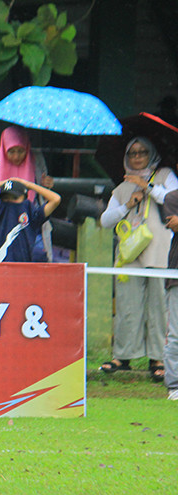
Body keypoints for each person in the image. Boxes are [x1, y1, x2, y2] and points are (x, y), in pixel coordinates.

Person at [98, 137, 178, 380]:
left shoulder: (165, 175)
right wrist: (128, 203)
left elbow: (172, 199)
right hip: (129, 253)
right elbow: (105, 220)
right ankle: (123, 356)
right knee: (127, 305)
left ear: (152, 153)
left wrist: (148, 187)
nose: (137, 156)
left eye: (143, 151)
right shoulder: (122, 185)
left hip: (158, 250)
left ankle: (157, 359)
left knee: (158, 306)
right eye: (132, 153)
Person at [0, 127, 55, 261]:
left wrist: (46, 186)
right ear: (4, 150)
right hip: (4, 233)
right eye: (11, 151)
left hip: (32, 230)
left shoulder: (36, 167)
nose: (16, 156)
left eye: (20, 151)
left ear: (27, 149)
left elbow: (48, 201)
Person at [0, 178, 61, 263]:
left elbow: (56, 199)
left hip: (23, 271)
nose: (10, 202)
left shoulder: (32, 217)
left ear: (24, 198)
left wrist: (29, 185)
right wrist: (0, 184)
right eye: (5, 198)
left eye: (14, 198)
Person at [162, 190, 178, 400]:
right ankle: (174, 385)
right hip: (176, 275)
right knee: (176, 333)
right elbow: (174, 224)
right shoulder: (173, 197)